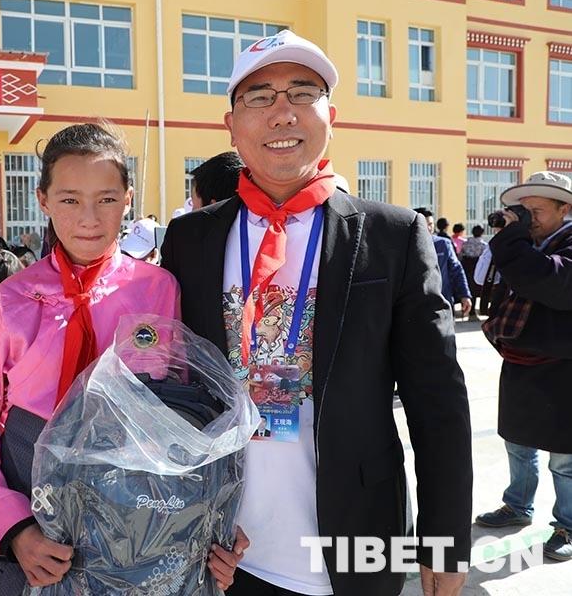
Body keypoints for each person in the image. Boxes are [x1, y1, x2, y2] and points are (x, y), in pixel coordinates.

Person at [160, 30, 472, 595]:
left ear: (332, 116)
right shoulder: (190, 240)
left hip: (353, 544)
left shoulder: (392, 235)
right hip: (224, 550)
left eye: (302, 94)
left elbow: (438, 403)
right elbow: (174, 392)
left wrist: (445, 543)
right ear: (231, 124)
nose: (282, 113)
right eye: (260, 97)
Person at [0, 123, 180, 595]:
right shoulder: (12, 298)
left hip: (128, 520)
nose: (89, 218)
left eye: (106, 199)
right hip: (27, 506)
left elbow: (174, 409)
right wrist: (13, 526)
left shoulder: (157, 289)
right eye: (70, 199)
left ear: (128, 199)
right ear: (43, 200)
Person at [473, 171, 572, 562]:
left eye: (538, 211)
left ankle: (567, 525)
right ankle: (517, 505)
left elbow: (548, 281)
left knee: (564, 457)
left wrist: (512, 240)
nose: (529, 219)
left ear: (565, 209)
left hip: (563, 365)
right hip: (521, 358)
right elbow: (491, 283)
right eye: (524, 211)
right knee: (517, 441)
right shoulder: (527, 245)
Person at [416, 208, 473, 319]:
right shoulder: (406, 246)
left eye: (431, 224)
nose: (429, 228)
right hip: (417, 304)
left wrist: (465, 295)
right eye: (425, 224)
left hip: (443, 301)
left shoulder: (443, 244)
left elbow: (457, 270)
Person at [459, 225, 487, 319]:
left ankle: (464, 310)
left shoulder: (465, 243)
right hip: (477, 269)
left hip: (466, 268)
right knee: (475, 291)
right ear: (482, 233)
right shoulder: (483, 245)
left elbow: (460, 256)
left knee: (466, 288)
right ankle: (473, 312)